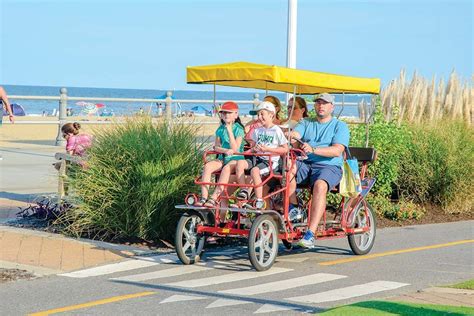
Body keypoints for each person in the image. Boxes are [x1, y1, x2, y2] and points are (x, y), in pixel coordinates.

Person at [288, 93, 349, 248]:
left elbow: (337, 151)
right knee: (286, 169)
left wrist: (314, 149)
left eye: (324, 103)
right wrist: (292, 136)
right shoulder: (306, 122)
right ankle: (294, 208)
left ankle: (310, 234)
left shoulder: (339, 126)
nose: (321, 106)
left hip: (329, 166)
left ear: (331, 107)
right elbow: (296, 133)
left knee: (320, 186)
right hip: (305, 163)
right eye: (318, 103)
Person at [236, 101, 288, 209]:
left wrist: (267, 149)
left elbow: (285, 149)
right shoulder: (257, 130)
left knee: (254, 171)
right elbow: (253, 147)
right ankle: (244, 190)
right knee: (240, 163)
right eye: (258, 114)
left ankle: (259, 200)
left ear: (271, 115)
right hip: (257, 158)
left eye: (262, 114)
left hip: (270, 161)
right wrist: (252, 149)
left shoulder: (276, 130)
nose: (259, 117)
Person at [195, 101, 245, 210]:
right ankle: (204, 197)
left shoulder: (239, 129)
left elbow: (236, 148)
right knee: (208, 166)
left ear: (236, 115)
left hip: (236, 158)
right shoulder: (220, 129)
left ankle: (213, 197)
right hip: (223, 156)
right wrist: (225, 150)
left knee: (227, 168)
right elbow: (216, 147)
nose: (226, 115)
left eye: (229, 113)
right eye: (223, 113)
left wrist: (229, 130)